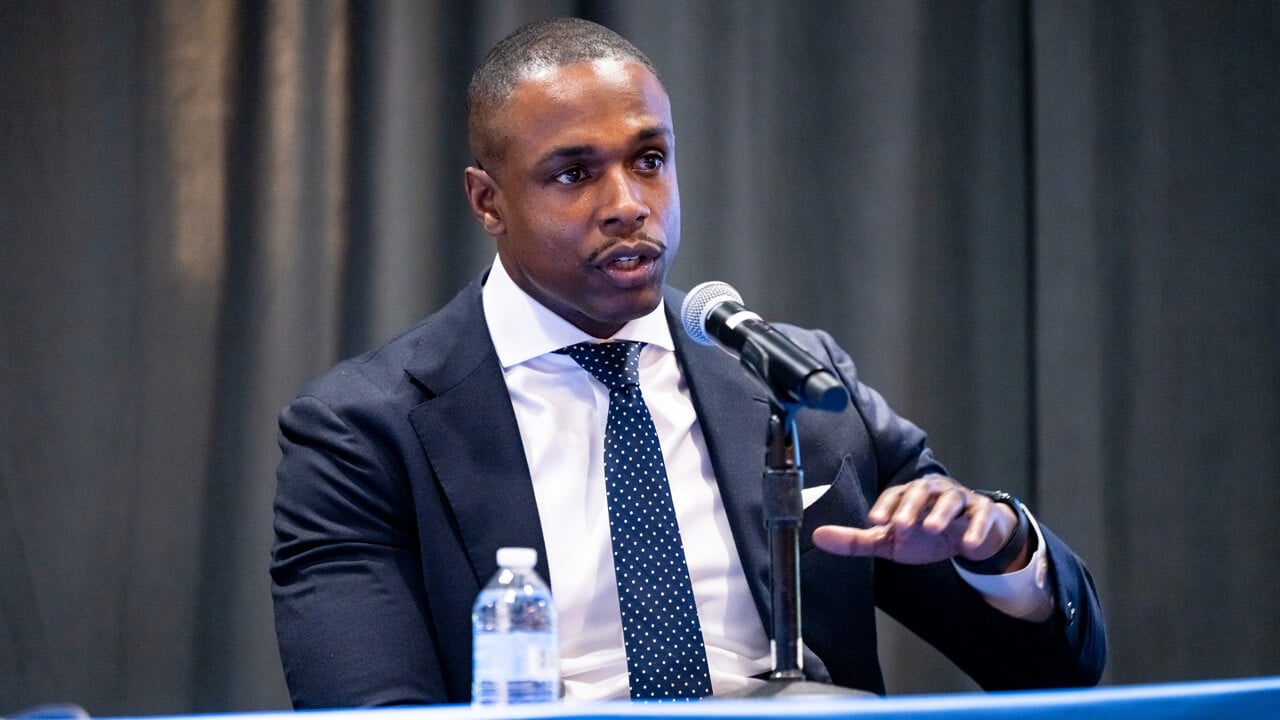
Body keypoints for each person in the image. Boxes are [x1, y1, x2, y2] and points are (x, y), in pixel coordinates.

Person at [270, 16, 1106, 708]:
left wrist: (999, 550)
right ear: (488, 200)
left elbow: (1051, 675)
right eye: (573, 174)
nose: (628, 205)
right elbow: (372, 710)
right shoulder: (364, 430)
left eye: (649, 160)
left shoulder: (798, 385)